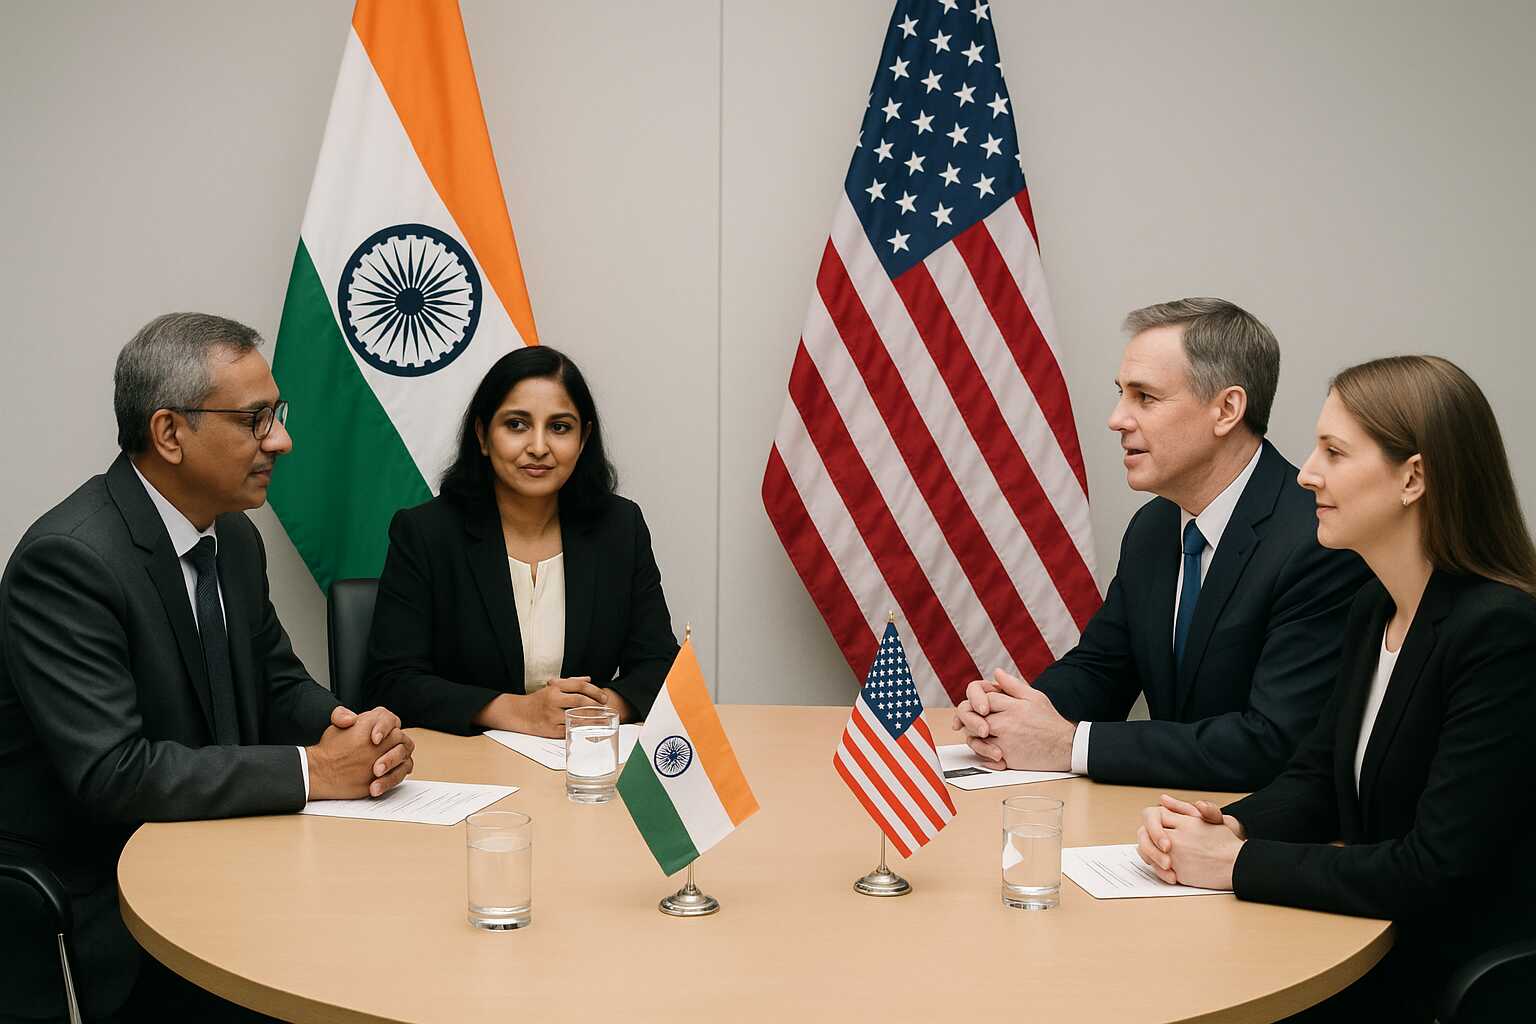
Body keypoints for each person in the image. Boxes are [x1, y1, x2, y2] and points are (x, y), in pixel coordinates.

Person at [0, 313, 415, 1022]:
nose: (281, 441)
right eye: (257, 420)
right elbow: (113, 772)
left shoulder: (235, 539)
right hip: (108, 894)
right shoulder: (70, 561)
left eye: (275, 416)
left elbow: (277, 681)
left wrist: (353, 731)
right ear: (169, 433)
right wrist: (317, 772)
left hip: (228, 851)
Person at [1137, 356, 1536, 1020]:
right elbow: (1318, 777)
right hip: (1358, 944)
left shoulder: (1502, 634)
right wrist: (1229, 823)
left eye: (1334, 451)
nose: (1305, 473)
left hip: (1444, 979)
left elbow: (1433, 868)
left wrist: (1236, 864)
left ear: (1413, 478)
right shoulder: (1374, 608)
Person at [956, 299, 1370, 789]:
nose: (1117, 419)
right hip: (1160, 816)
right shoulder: (1153, 528)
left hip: (1257, 834)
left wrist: (1069, 745)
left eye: (1145, 398)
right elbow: (1102, 669)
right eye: (1121, 394)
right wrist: (1012, 715)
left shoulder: (1318, 539)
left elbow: (1272, 743)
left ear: (1227, 410)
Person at [365, 345, 678, 737]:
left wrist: (593, 711)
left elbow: (660, 664)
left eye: (560, 427)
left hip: (582, 758)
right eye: (516, 425)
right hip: (465, 770)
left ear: (584, 440)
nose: (539, 447)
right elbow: (391, 681)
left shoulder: (620, 526)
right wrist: (514, 712)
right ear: (482, 434)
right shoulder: (426, 533)